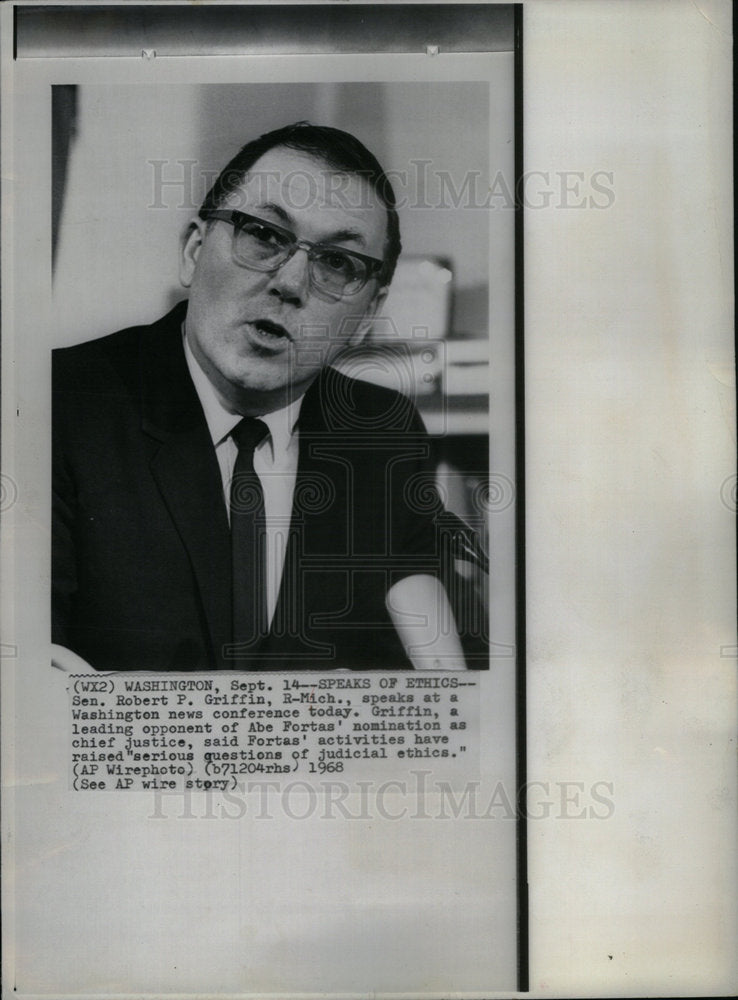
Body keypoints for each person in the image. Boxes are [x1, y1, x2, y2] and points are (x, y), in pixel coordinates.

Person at [52, 121, 481, 672]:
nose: (292, 282)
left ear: (367, 315)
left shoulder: (381, 429)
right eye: (263, 234)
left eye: (338, 263)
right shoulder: (59, 403)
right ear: (192, 250)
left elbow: (448, 675)